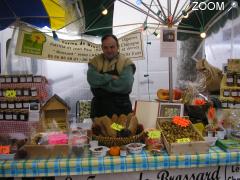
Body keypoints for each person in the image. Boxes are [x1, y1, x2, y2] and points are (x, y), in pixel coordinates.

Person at [87, 34, 136, 118]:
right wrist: (110, 77)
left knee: (119, 130)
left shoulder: (126, 62)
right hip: (99, 111)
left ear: (118, 47)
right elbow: (91, 79)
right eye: (105, 47)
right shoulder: (95, 61)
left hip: (121, 111)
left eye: (112, 47)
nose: (109, 50)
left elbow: (125, 85)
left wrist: (99, 84)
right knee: (99, 131)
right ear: (102, 48)